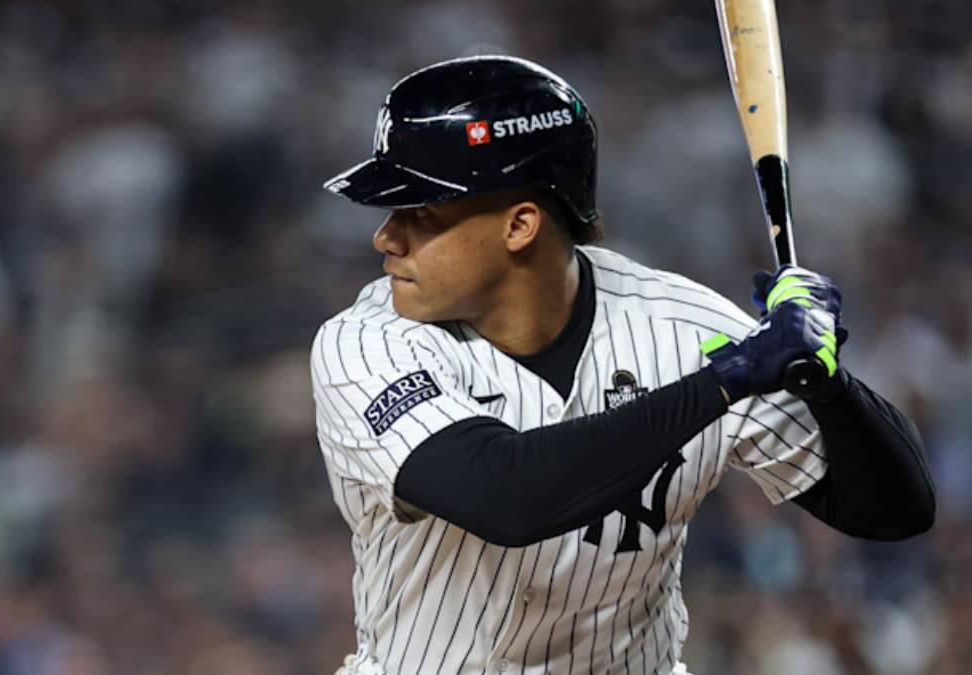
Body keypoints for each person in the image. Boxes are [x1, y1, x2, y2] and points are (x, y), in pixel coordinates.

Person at [311, 55, 934, 675]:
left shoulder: (683, 327)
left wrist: (826, 381)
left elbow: (893, 511)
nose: (386, 238)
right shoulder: (366, 344)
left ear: (521, 225)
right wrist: (726, 381)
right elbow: (506, 496)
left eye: (421, 214)